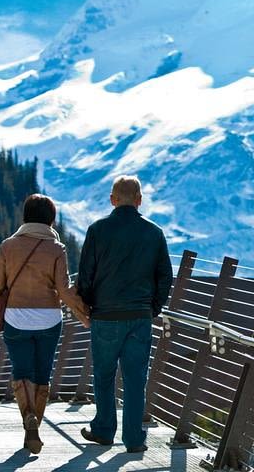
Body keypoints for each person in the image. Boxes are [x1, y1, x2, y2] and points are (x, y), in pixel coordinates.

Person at [0, 194, 90, 454]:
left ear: (25, 217)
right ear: (51, 220)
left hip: (16, 319)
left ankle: (28, 418)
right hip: (48, 319)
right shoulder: (56, 249)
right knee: (43, 373)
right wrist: (84, 314)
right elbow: (64, 291)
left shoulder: (8, 246)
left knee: (22, 371)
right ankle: (35, 425)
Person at [77, 176, 173, 453]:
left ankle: (104, 431)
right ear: (140, 200)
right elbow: (165, 276)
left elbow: (86, 275)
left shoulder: (97, 230)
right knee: (135, 379)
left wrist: (88, 304)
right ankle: (134, 439)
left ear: (112, 199)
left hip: (105, 315)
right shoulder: (154, 233)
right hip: (140, 315)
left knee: (104, 375)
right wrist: (152, 308)